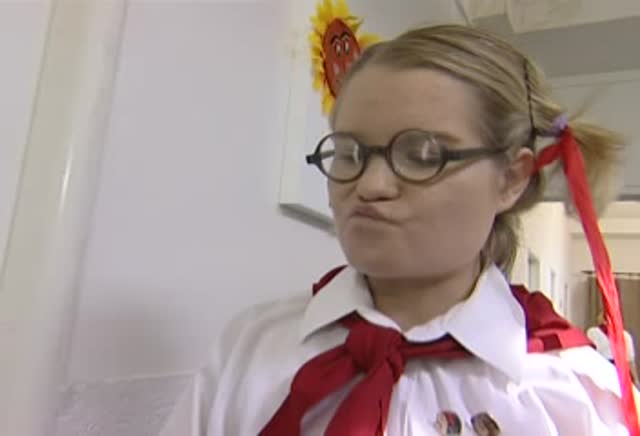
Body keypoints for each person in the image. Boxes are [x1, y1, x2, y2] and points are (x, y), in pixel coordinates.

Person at [159, 24, 638, 435]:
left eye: (423, 155)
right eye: (349, 153)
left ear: (511, 178)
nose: (369, 186)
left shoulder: (576, 392)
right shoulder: (250, 350)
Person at [588, 310, 639, 385]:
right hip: (619, 371)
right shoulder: (625, 335)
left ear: (602, 318)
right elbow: (630, 361)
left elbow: (589, 353)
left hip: (600, 370)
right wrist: (636, 380)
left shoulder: (592, 332)